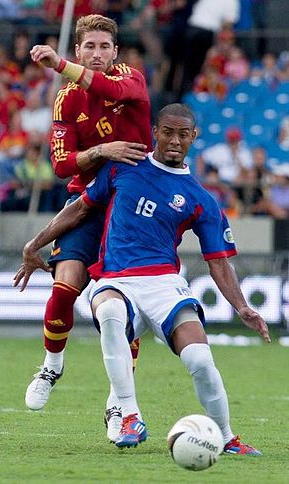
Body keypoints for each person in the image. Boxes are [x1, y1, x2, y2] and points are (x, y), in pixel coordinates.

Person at [14, 103, 270, 450]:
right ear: (155, 132)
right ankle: (129, 413)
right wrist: (35, 244)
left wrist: (242, 307)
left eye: (183, 134)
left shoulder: (201, 199)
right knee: (108, 311)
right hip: (116, 279)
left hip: (164, 284)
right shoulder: (123, 168)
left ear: (194, 137)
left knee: (200, 359)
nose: (175, 141)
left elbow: (219, 263)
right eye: (168, 132)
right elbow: (79, 209)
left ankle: (226, 437)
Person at [20, 14, 153, 443]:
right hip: (84, 204)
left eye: (104, 47)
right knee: (65, 286)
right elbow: (61, 166)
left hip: (131, 208)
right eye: (89, 47)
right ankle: (51, 366)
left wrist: (58, 63)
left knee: (120, 308)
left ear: (115, 52)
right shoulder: (66, 100)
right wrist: (103, 150)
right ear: (80, 50)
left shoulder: (131, 78)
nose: (97, 54)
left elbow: (112, 90)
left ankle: (119, 404)